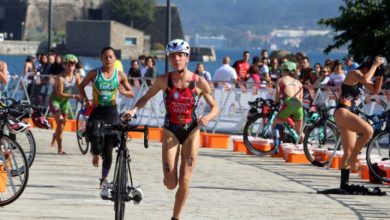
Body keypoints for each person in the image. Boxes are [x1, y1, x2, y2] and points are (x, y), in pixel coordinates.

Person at [124, 39, 219, 220]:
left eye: (180, 55)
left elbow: (215, 107)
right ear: (169, 58)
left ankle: (175, 218)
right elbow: (145, 98)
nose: (177, 59)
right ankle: (168, 175)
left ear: (187, 57)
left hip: (192, 131)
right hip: (170, 131)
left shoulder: (199, 82)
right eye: (173, 56)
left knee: (185, 180)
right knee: (170, 183)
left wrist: (208, 117)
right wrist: (133, 110)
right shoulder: (163, 80)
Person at [78, 47, 134, 189]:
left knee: (109, 148)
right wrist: (85, 99)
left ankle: (103, 178)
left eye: (110, 57)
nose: (108, 59)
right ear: (101, 59)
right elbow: (81, 85)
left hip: (112, 112)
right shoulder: (94, 73)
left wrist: (124, 92)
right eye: (105, 57)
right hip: (97, 112)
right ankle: (96, 153)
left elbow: (131, 93)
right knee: (95, 137)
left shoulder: (120, 75)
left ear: (114, 58)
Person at [332, 56, 385, 194]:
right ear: (367, 67)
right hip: (343, 111)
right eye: (373, 70)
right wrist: (375, 65)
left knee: (347, 151)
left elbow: (375, 90)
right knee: (368, 130)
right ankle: (354, 158)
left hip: (348, 113)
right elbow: (367, 79)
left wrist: (380, 76)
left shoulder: (362, 77)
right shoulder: (355, 73)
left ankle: (344, 184)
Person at [49, 54, 82, 154]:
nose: (70, 66)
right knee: (59, 123)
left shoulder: (77, 75)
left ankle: (56, 135)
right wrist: (73, 96)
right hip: (55, 100)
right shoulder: (60, 77)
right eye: (68, 64)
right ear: (64, 65)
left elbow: (80, 87)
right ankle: (60, 148)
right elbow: (60, 94)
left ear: (75, 66)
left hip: (65, 102)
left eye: (72, 64)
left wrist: (86, 95)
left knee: (63, 125)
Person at [272, 61, 304, 142]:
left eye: (281, 71)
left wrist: (275, 103)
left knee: (274, 126)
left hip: (288, 103)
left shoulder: (281, 80)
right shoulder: (299, 83)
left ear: (285, 71)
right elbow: (301, 99)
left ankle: (276, 148)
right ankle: (306, 147)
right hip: (298, 105)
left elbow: (277, 97)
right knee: (299, 131)